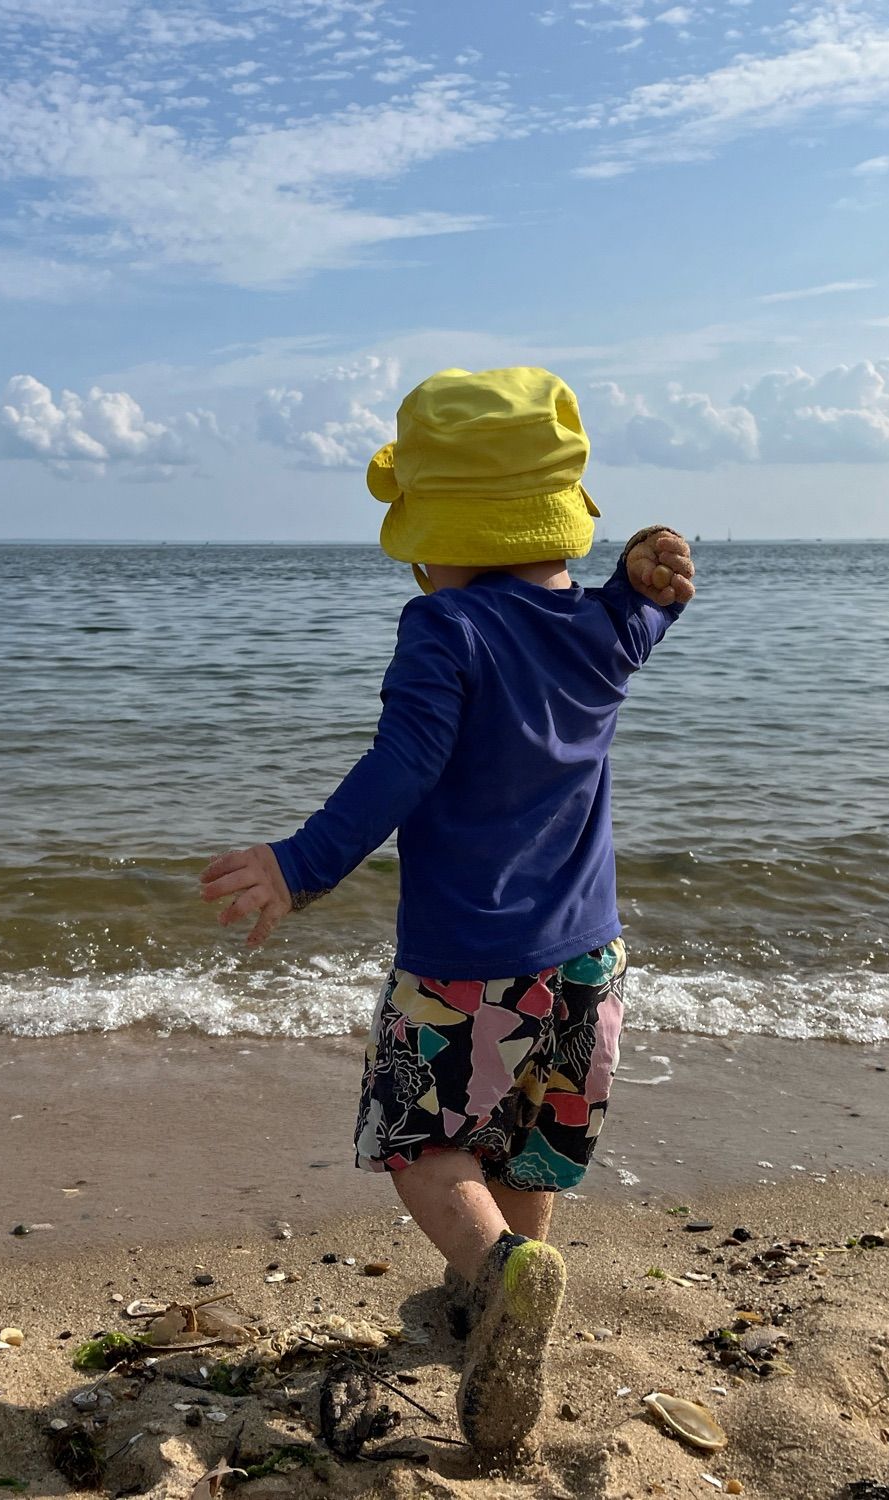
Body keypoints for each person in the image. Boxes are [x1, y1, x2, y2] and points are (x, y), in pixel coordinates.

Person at [198, 367, 691, 1454]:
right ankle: (500, 1323)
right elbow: (639, 620)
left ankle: (500, 1276)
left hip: (464, 964)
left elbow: (401, 765)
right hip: (588, 968)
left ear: (448, 532)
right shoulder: (600, 633)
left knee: (421, 1143)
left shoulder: (445, 628)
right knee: (524, 1151)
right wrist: (646, 582)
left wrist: (300, 863)